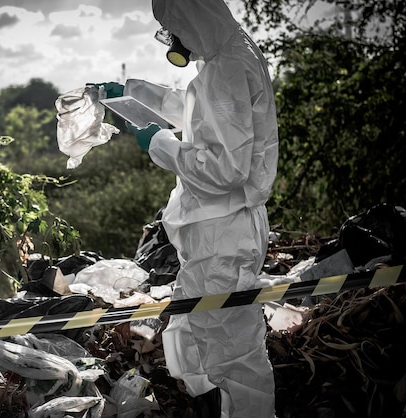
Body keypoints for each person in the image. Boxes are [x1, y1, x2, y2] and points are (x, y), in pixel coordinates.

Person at [93, 0, 278, 416]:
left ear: (191, 18)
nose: (174, 39)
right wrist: (136, 94)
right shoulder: (226, 55)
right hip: (215, 235)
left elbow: (225, 169)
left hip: (224, 237)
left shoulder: (228, 66)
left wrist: (158, 143)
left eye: (174, 27)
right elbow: (199, 111)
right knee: (188, 338)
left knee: (233, 357)